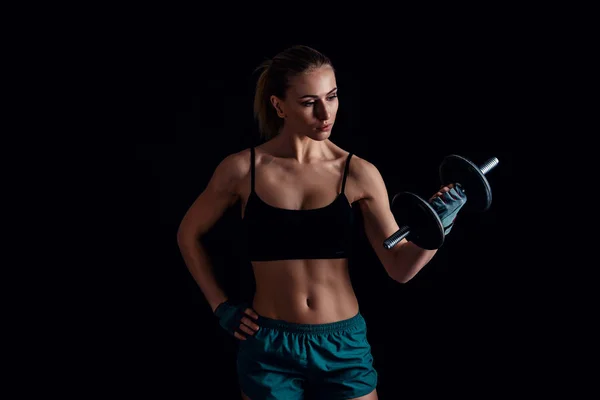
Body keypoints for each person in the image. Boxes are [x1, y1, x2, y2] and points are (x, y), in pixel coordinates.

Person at [176, 45, 467, 400]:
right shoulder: (242, 170)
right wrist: (220, 306)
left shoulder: (358, 173)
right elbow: (188, 234)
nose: (325, 113)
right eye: (308, 102)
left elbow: (400, 267)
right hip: (269, 344)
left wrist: (440, 224)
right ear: (278, 105)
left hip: (342, 344)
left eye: (331, 97)